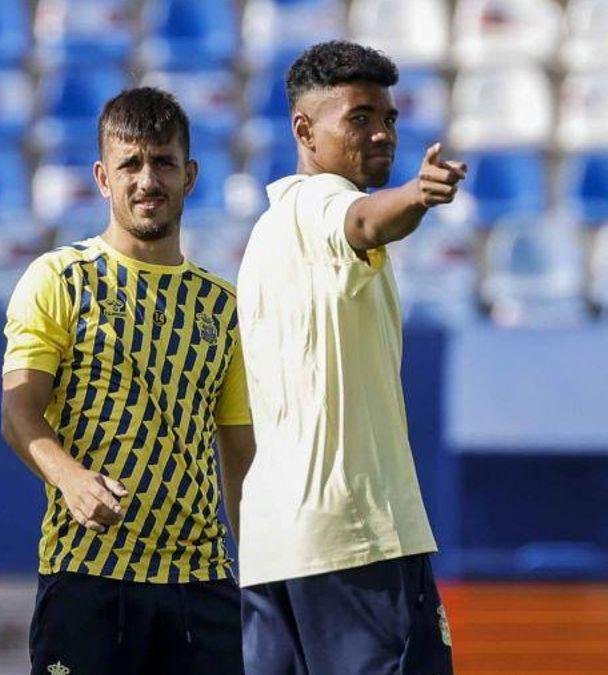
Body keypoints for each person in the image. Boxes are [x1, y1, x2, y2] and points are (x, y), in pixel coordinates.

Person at [0, 87, 255, 675]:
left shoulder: (224, 307)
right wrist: (71, 479)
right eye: (130, 164)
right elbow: (18, 414)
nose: (147, 180)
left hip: (201, 582)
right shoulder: (59, 278)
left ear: (189, 175)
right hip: (86, 573)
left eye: (163, 162)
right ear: (101, 177)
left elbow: (240, 457)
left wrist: (262, 578)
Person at [235, 40, 464, 674]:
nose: (382, 133)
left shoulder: (268, 230)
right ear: (305, 130)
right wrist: (419, 193)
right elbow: (364, 222)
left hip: (274, 549)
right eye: (359, 118)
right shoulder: (319, 206)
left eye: (388, 118)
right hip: (355, 540)